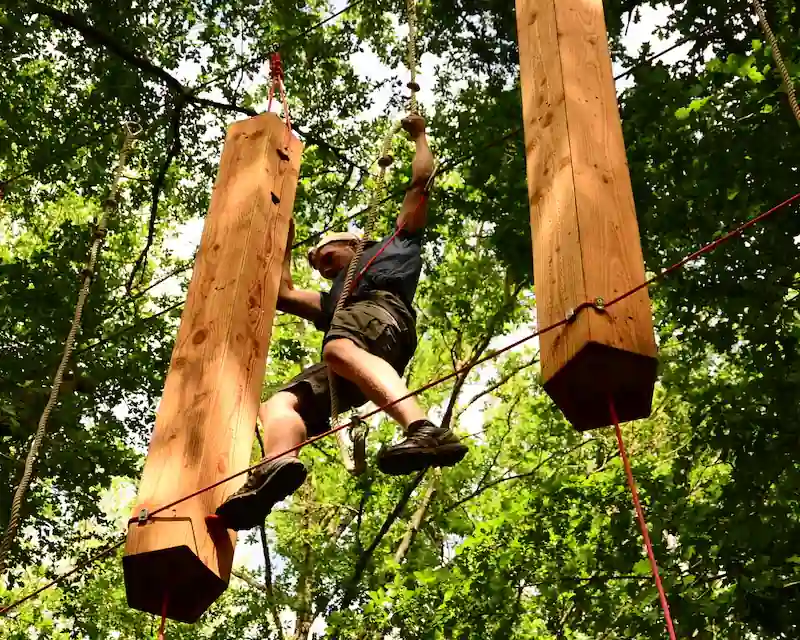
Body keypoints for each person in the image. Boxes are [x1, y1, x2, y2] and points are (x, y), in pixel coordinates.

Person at [215, 114, 468, 531]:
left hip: (380, 320)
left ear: (354, 242)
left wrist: (419, 136)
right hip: (350, 352)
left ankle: (424, 429)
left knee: (336, 348)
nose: (316, 262)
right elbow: (283, 295)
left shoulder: (393, 245)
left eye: (323, 252)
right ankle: (275, 469)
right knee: (279, 404)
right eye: (312, 261)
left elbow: (421, 182)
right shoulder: (334, 297)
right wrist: (284, 240)